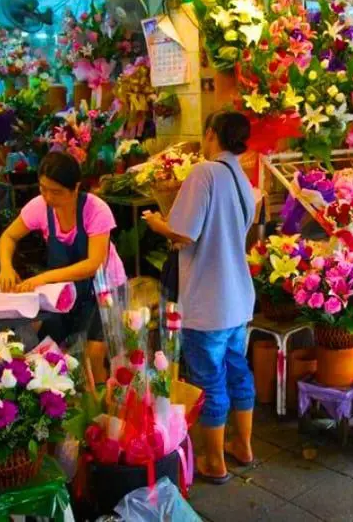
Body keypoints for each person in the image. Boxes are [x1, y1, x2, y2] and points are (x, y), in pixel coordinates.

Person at [143, 111, 256, 484]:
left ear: (211, 134)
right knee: (238, 371)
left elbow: (184, 234)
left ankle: (213, 462)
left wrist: (158, 224)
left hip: (207, 303)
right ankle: (243, 446)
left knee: (209, 380)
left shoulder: (204, 173)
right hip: (238, 299)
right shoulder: (242, 176)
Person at [0, 151, 127, 346]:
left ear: (75, 187)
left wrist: (42, 278)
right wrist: (6, 267)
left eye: (56, 192)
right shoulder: (39, 206)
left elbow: (94, 264)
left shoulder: (96, 209)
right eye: (43, 189)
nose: (48, 197)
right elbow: (9, 236)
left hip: (104, 288)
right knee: (50, 345)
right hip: (65, 288)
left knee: (94, 351)